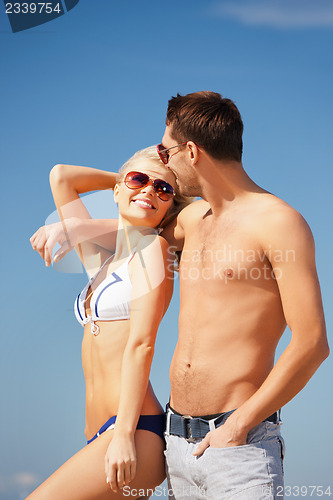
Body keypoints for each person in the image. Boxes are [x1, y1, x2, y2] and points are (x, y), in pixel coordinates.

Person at [32, 91, 329, 500]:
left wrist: (240, 425)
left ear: (191, 151)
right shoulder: (192, 220)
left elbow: (312, 342)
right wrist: (77, 229)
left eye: (165, 149)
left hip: (237, 446)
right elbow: (137, 233)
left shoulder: (279, 223)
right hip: (177, 445)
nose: (163, 159)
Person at [28, 146, 191, 500]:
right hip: (100, 434)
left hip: (133, 433)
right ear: (117, 190)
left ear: (169, 207)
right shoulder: (103, 265)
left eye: (164, 190)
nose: (150, 190)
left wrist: (121, 436)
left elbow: (143, 344)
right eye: (139, 180)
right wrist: (125, 182)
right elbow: (62, 176)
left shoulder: (153, 250)